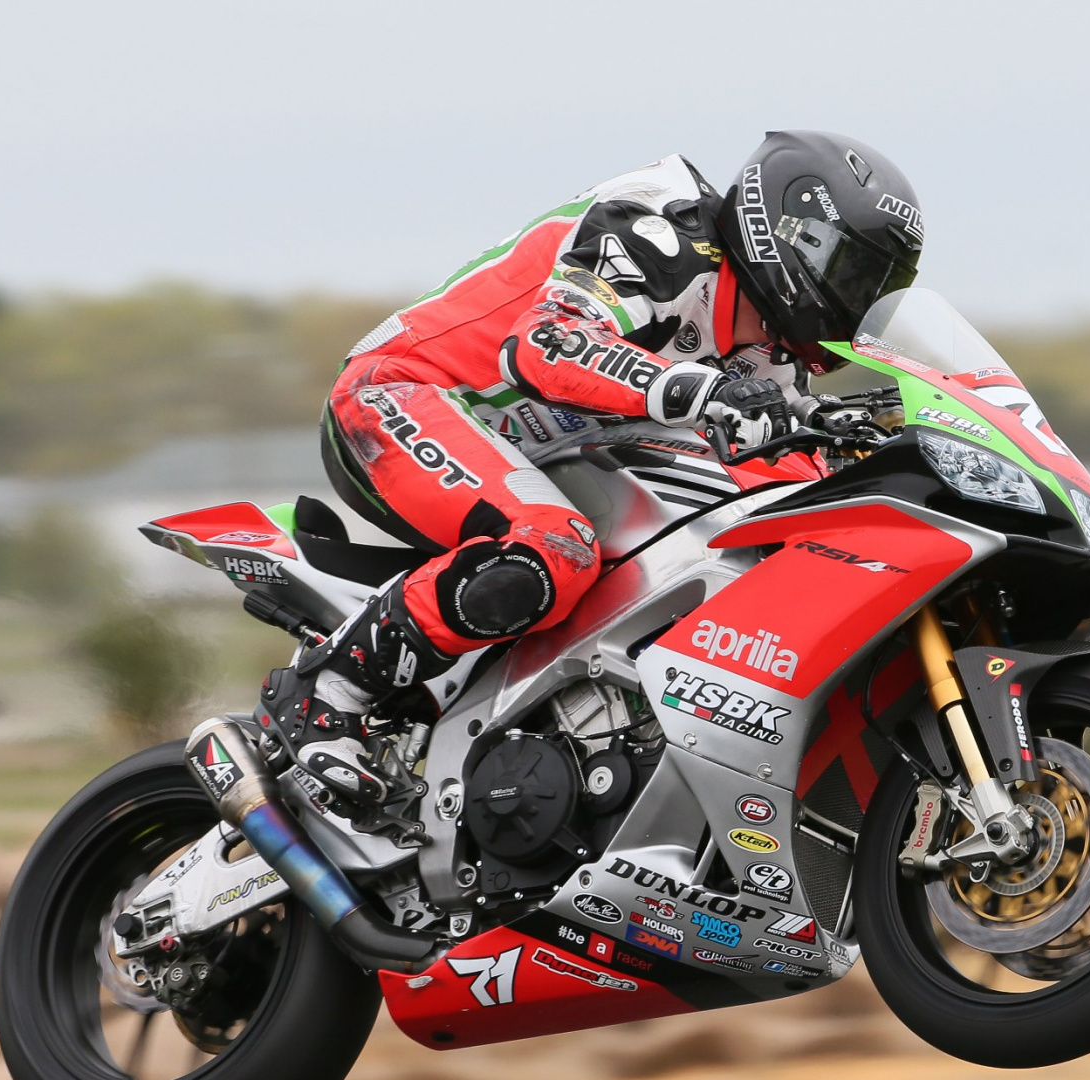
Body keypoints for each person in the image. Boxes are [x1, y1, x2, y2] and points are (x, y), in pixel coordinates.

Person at [261, 131, 924, 803]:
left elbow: (783, 466)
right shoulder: (662, 232)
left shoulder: (767, 348)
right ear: (790, 234)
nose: (861, 300)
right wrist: (708, 390)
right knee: (556, 547)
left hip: (535, 450)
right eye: (854, 275)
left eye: (879, 290)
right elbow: (550, 346)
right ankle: (327, 691)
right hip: (403, 393)